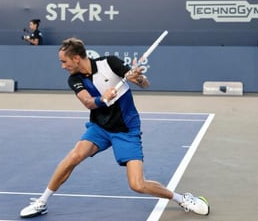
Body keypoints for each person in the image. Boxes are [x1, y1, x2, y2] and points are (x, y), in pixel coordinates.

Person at [19, 37, 210, 218]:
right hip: (100, 128)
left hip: (126, 130)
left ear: (76, 58)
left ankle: (182, 198)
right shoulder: (75, 78)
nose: (62, 66)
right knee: (73, 157)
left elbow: (143, 83)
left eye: (64, 61)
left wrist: (139, 78)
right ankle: (42, 200)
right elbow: (87, 102)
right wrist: (102, 99)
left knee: (137, 184)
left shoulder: (109, 63)